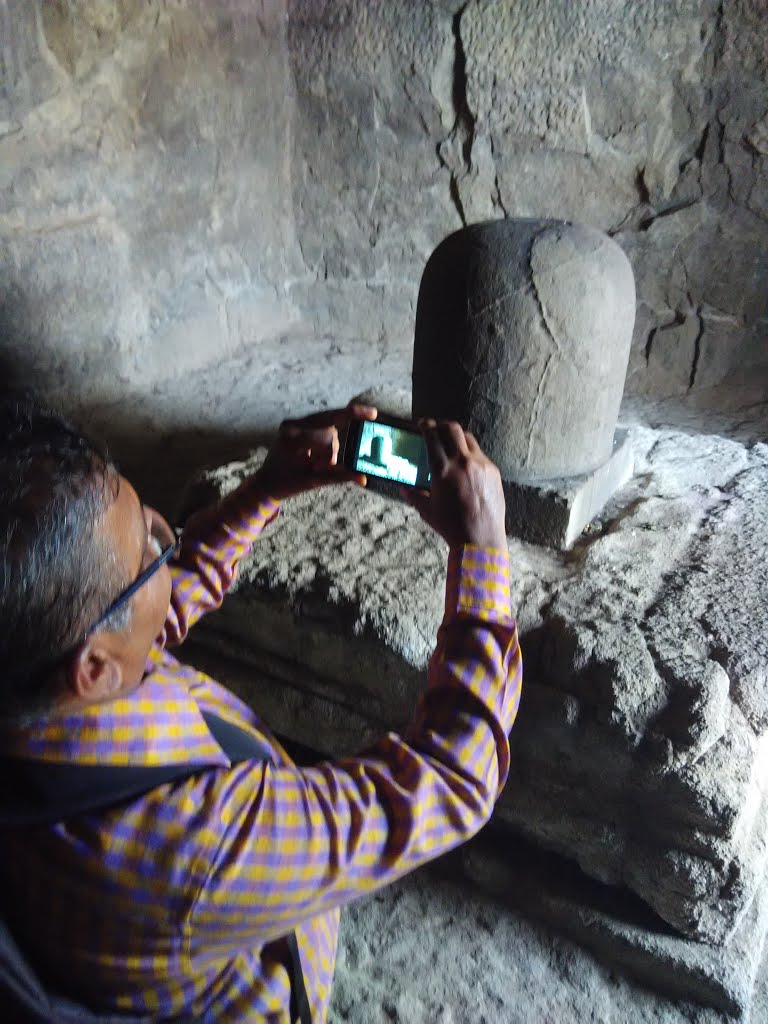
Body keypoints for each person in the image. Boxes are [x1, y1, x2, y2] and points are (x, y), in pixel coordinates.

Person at [0, 394, 522, 1023]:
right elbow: (451, 779)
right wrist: (484, 549)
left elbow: (148, 623)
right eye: (150, 550)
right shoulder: (197, 848)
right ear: (92, 668)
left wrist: (267, 488)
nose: (168, 534)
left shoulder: (40, 687)